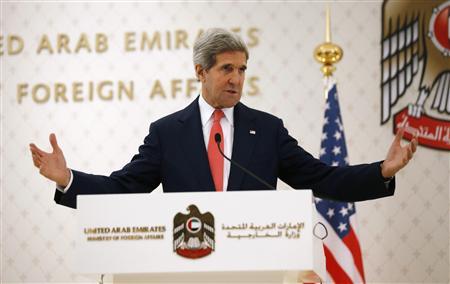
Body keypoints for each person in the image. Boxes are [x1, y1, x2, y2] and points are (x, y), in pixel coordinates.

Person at [29, 28, 418, 209]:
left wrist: (382, 170)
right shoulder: (167, 133)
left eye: (243, 69)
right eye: (227, 69)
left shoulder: (266, 130)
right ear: (201, 71)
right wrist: (67, 180)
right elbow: (125, 189)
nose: (237, 79)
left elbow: (322, 178)